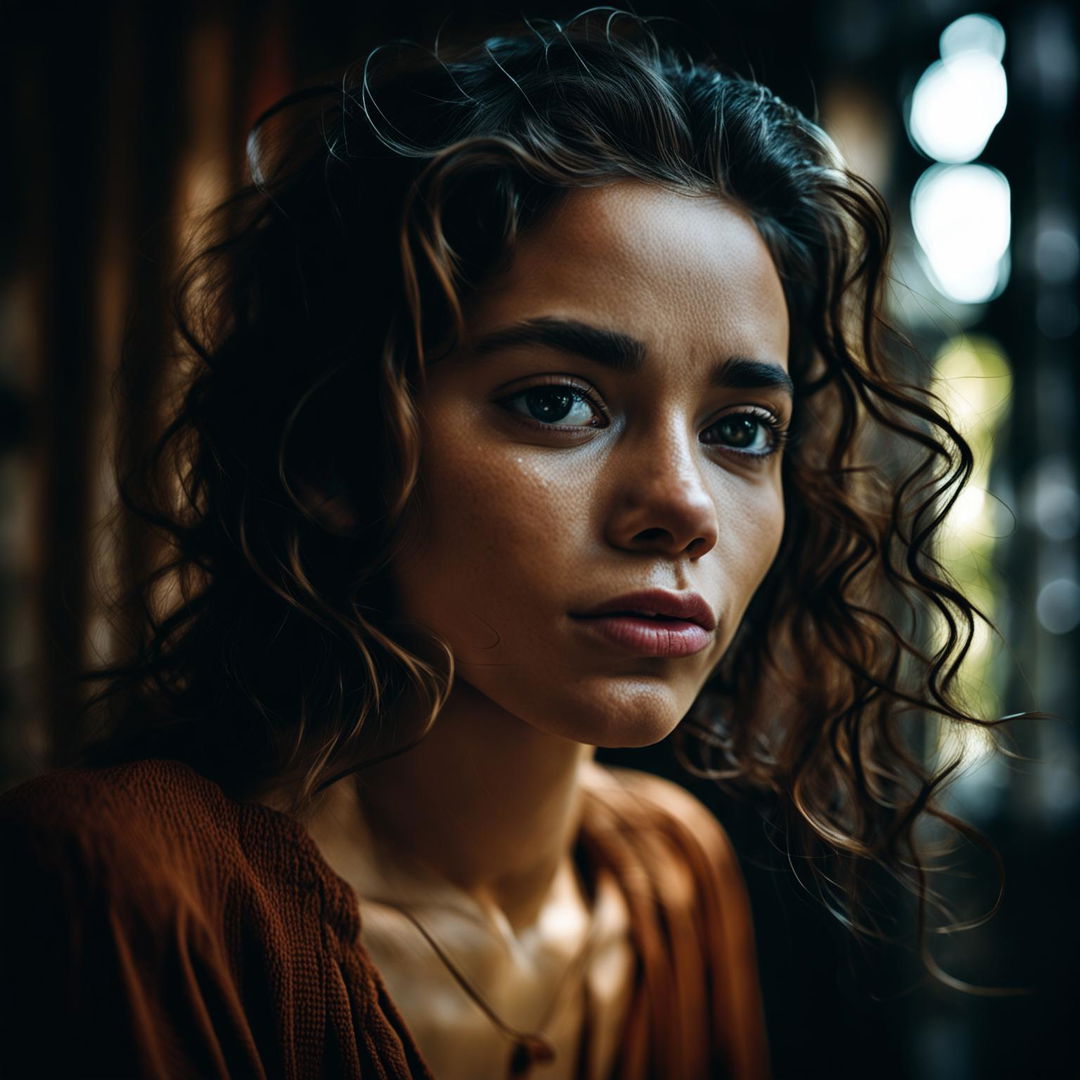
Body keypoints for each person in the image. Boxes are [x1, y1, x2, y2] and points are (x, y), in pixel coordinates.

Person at [0, 11, 997, 1080]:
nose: (682, 505)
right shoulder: (125, 891)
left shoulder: (670, 881)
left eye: (741, 430)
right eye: (558, 401)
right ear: (336, 452)